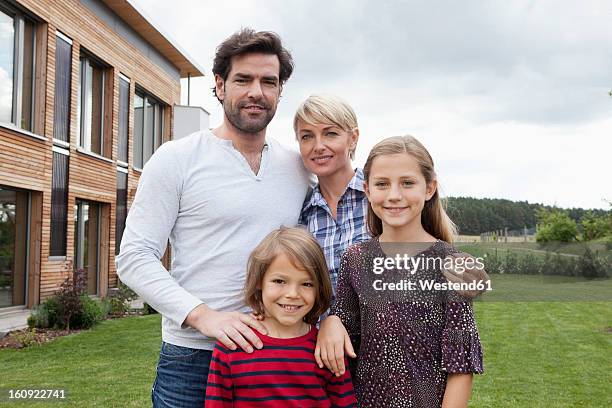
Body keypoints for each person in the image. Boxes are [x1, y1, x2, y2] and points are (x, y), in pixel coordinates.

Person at [116, 28, 310, 407]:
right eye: (243, 79)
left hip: (277, 356)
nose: (256, 91)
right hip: (194, 359)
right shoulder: (176, 159)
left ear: (280, 92)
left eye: (268, 81)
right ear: (220, 86)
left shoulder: (297, 167)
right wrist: (204, 316)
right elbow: (134, 257)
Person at [318, 136, 484, 407]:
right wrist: (330, 322)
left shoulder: (450, 263)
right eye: (382, 184)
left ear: (429, 188)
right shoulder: (356, 260)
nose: (394, 195)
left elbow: (460, 366)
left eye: (407, 183)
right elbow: (344, 335)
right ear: (367, 190)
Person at [205, 227, 357, 407]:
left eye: (307, 284)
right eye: (279, 281)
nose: (292, 293)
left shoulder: (327, 349)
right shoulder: (232, 345)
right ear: (260, 281)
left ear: (319, 289)